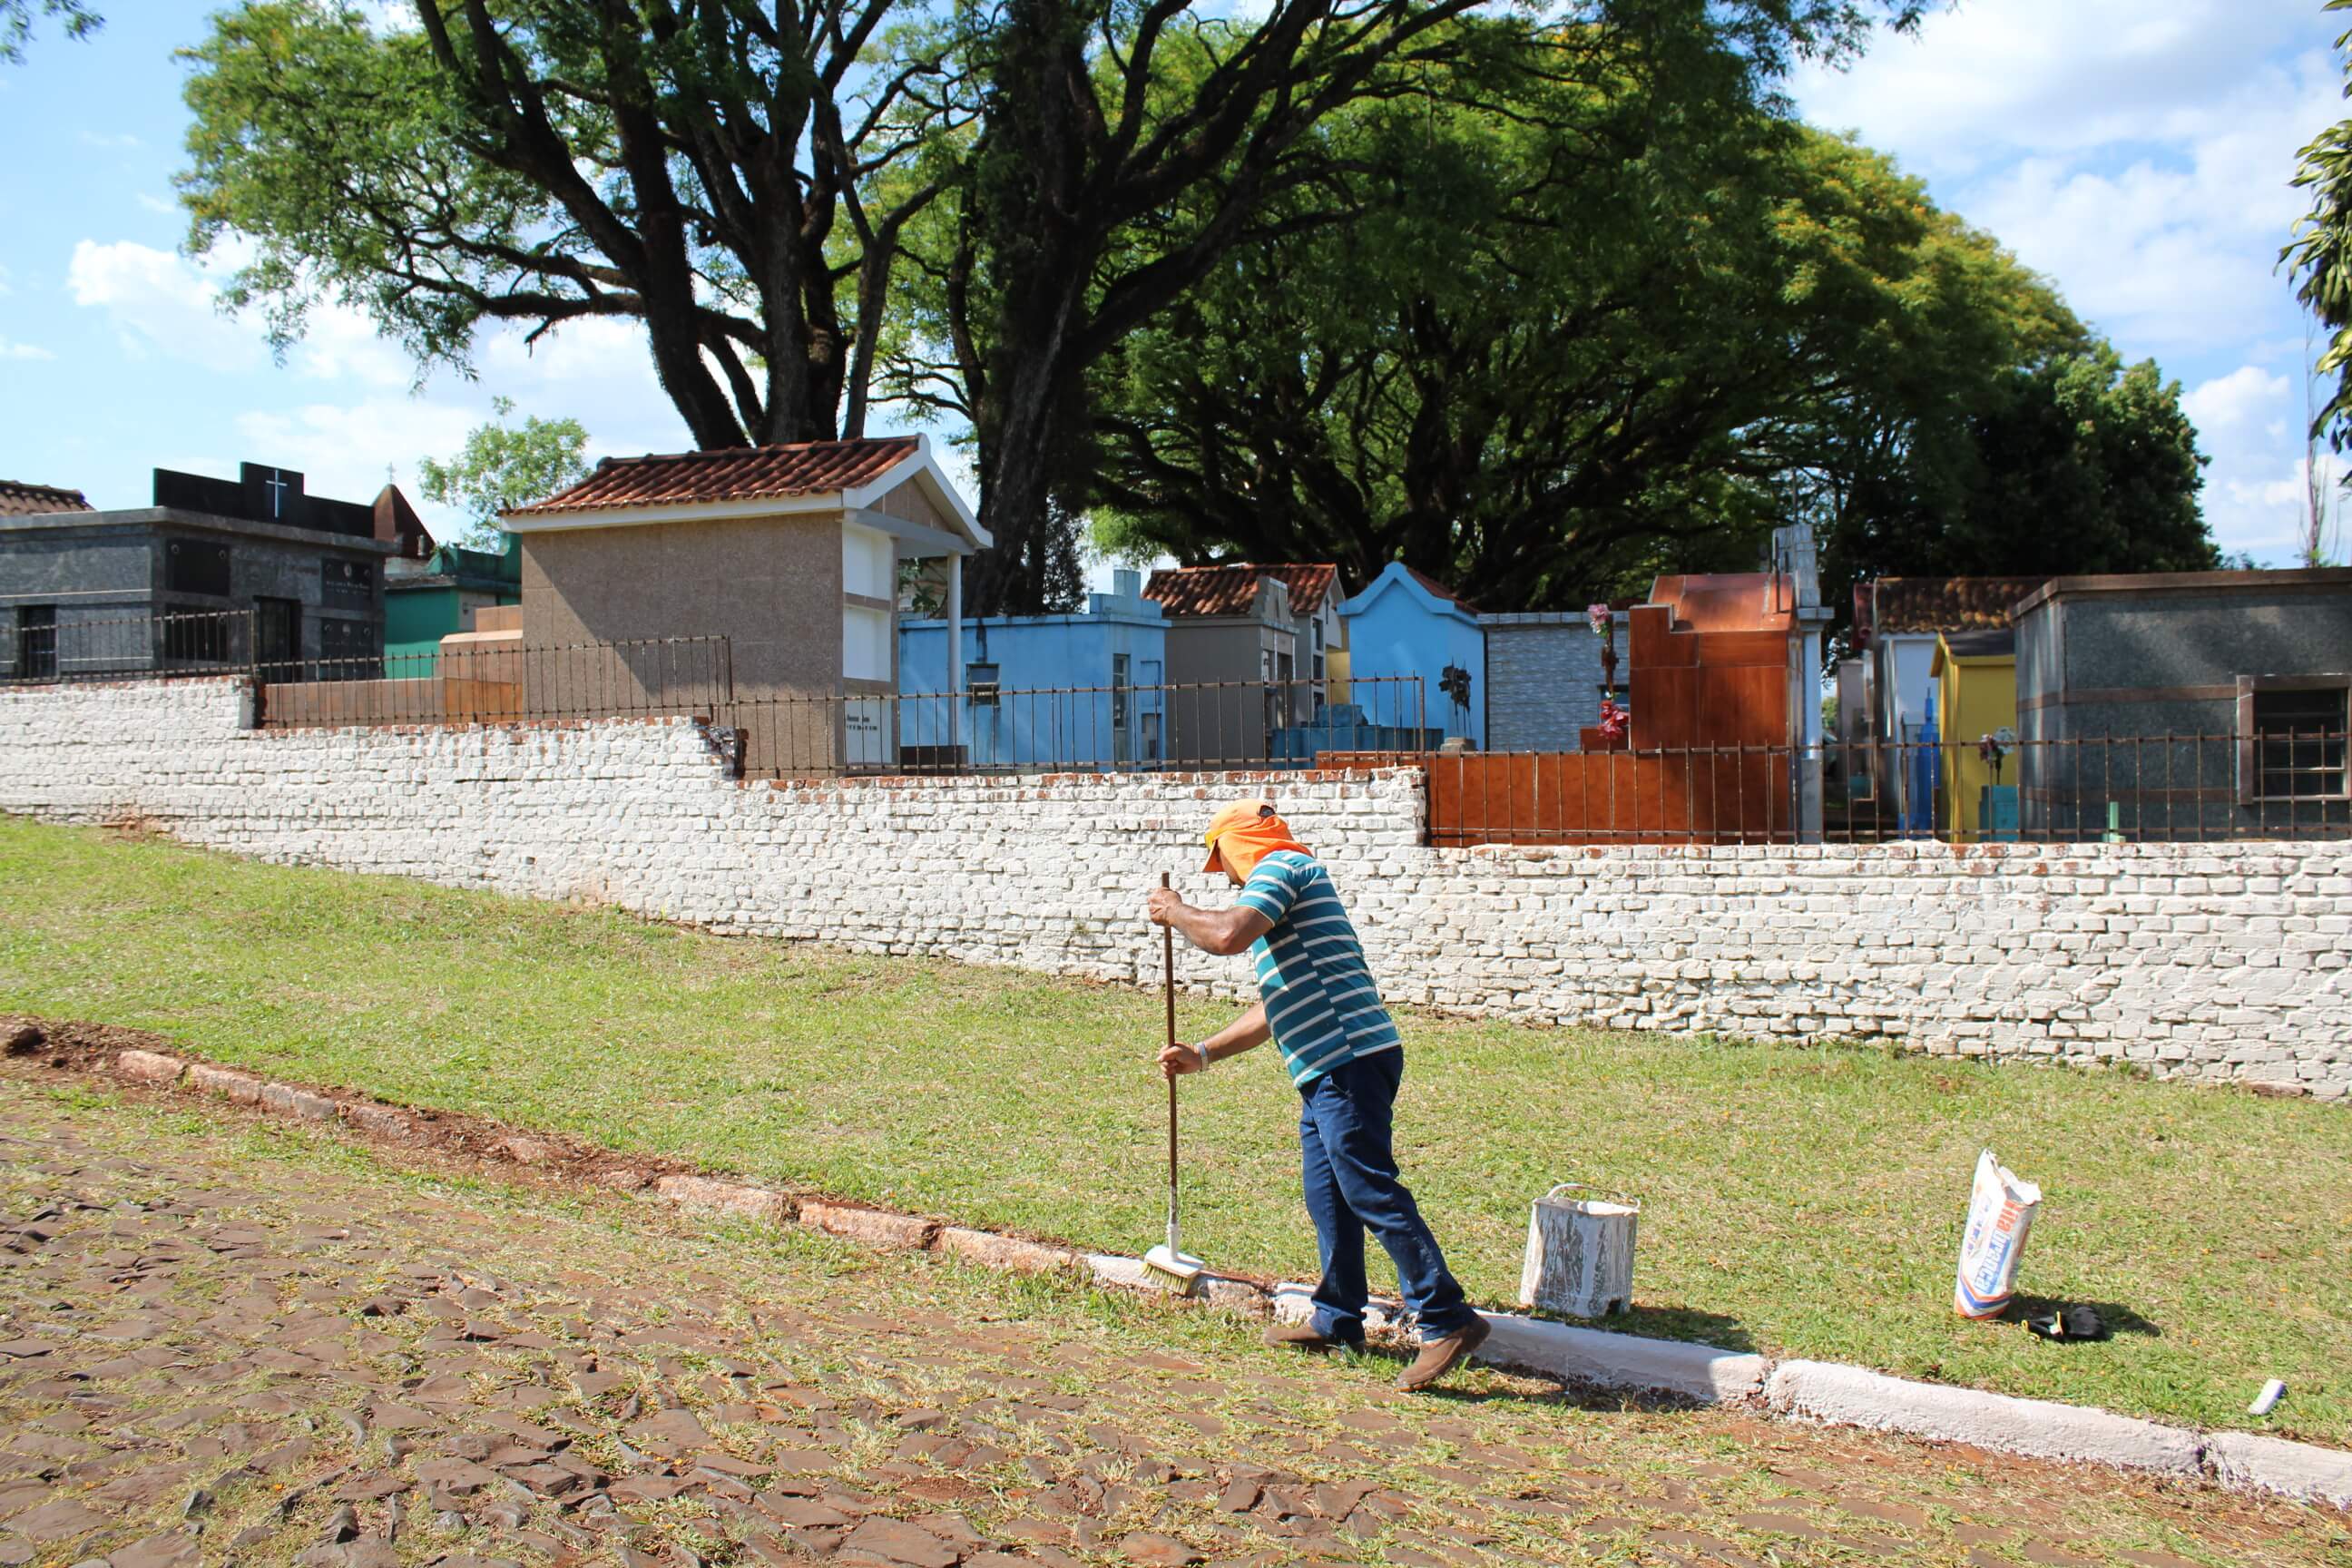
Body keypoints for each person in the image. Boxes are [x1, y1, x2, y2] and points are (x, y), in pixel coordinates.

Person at [1145, 799, 1490, 1391]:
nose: (1224, 876)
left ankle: (1446, 1318)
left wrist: (1177, 912)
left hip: (1349, 1060)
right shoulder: (1283, 897)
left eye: (1222, 860)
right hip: (1326, 1066)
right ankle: (1337, 1319)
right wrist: (1203, 1054)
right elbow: (1275, 1007)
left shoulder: (1283, 869)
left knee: (1368, 1188)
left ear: (1238, 845)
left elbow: (1225, 934)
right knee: (1327, 1194)